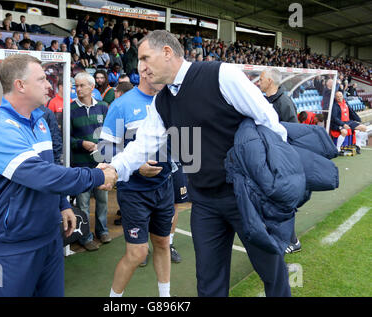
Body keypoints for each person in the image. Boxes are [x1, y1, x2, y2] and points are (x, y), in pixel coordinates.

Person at [106, 30, 290, 297]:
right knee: (208, 282)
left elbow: (269, 122)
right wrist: (113, 168)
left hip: (246, 195)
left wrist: (274, 178)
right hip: (204, 201)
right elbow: (141, 145)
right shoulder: (162, 101)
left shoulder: (221, 74)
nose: (141, 67)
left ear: (167, 52)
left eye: (145, 57)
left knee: (271, 269)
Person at [0, 54, 117, 297]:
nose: (49, 85)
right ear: (20, 85)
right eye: (41, 79)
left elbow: (50, 167)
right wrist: (95, 176)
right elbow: (42, 175)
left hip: (48, 237)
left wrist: (62, 203)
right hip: (11, 245)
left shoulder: (40, 120)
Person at [99, 66, 174, 298]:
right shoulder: (122, 105)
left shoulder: (170, 101)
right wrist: (136, 164)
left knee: (163, 243)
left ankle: (165, 298)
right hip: (133, 191)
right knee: (137, 253)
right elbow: (104, 149)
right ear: (145, 72)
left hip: (164, 186)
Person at [259, 68, 300, 254]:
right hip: (266, 157)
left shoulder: (284, 102)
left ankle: (292, 240)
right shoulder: (262, 100)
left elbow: (292, 131)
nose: (258, 82)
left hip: (280, 159)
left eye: (261, 79)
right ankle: (275, 236)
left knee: (282, 201)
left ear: (269, 81)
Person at [70, 72, 110, 251]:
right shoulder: (70, 109)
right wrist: (81, 143)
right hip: (81, 165)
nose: (78, 89)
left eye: (81, 86)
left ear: (92, 87)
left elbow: (111, 133)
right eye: (76, 86)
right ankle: (85, 236)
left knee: (103, 200)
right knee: (83, 202)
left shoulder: (103, 107)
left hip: (101, 163)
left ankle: (102, 231)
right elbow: (66, 139)